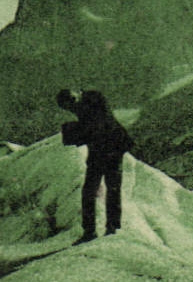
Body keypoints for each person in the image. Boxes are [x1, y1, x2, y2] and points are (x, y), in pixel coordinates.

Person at [56, 89, 134, 242]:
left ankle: (110, 228)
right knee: (92, 191)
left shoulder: (94, 98)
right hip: (99, 150)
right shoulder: (83, 102)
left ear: (76, 96)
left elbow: (99, 125)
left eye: (70, 103)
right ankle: (93, 231)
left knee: (110, 188)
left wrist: (77, 132)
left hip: (113, 147)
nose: (70, 109)